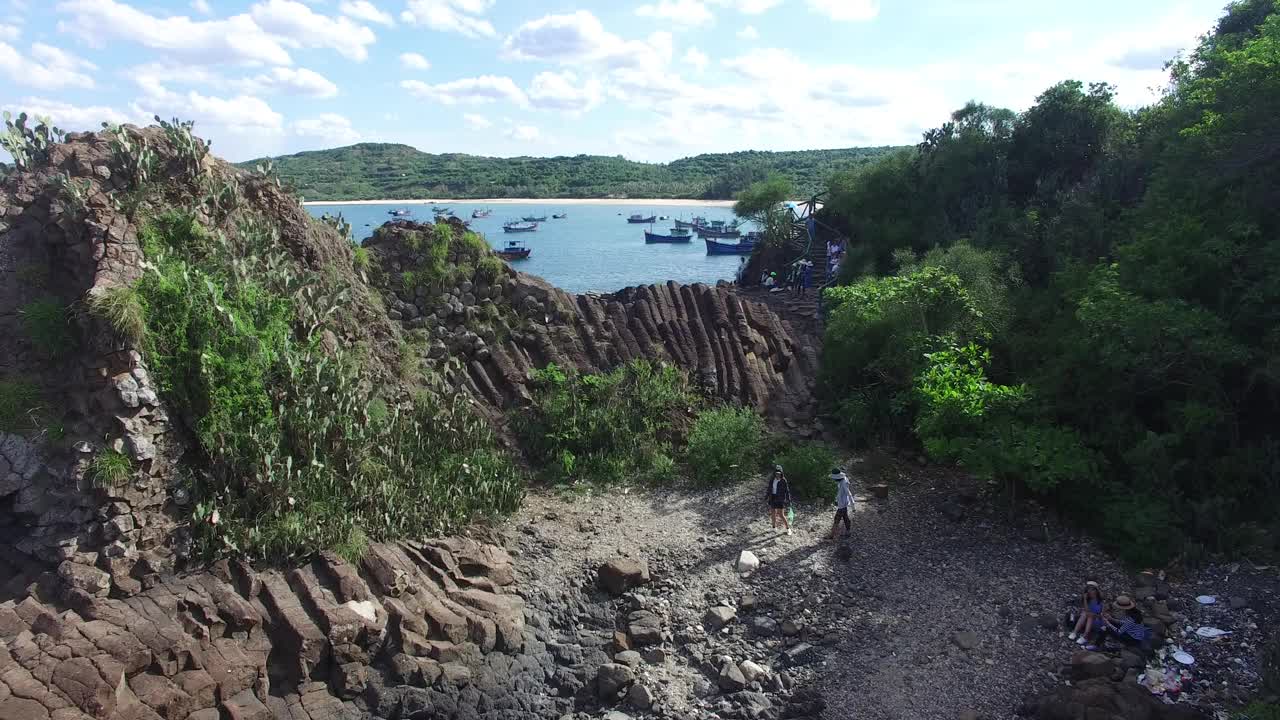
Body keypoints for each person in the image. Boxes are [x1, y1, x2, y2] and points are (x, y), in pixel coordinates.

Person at [765, 465, 792, 535]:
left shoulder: (783, 480)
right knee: (773, 513)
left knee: (781, 515)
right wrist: (766, 496)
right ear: (774, 473)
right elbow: (769, 488)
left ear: (781, 473)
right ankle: (774, 527)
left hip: (780, 498)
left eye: (779, 473)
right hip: (772, 497)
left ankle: (788, 529)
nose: (777, 474)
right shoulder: (772, 479)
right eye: (776, 473)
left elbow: (787, 491)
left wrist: (788, 500)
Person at [830, 468, 852, 540]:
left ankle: (832, 535)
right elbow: (840, 493)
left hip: (842, 504)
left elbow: (849, 494)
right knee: (845, 518)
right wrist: (837, 500)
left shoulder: (843, 483)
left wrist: (853, 506)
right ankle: (848, 532)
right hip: (843, 503)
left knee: (837, 519)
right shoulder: (843, 480)